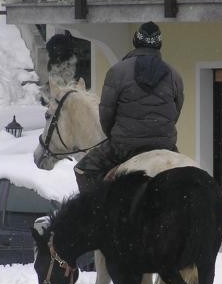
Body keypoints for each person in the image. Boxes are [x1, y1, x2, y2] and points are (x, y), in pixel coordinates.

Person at [74, 21, 184, 193]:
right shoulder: (174, 75)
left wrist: (117, 136)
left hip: (125, 146)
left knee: (83, 169)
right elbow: (176, 112)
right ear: (159, 45)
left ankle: (96, 213)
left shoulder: (117, 72)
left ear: (135, 41)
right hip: (164, 144)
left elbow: (106, 114)